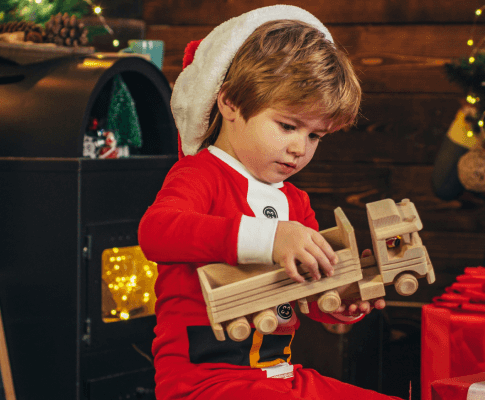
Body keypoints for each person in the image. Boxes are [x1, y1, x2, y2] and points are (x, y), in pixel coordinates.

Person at [138, 5, 401, 400]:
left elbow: (309, 296)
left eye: (316, 136)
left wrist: (341, 301)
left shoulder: (296, 202)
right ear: (229, 103)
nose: (299, 148)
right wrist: (269, 239)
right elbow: (156, 232)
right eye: (288, 126)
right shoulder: (200, 174)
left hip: (278, 375)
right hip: (204, 383)